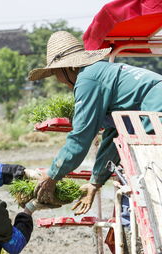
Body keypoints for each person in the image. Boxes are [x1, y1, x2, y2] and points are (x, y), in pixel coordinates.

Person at [28, 31, 162, 215]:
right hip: (148, 115)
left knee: (150, 182)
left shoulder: (87, 80)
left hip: (156, 114)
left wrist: (52, 176)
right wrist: (94, 183)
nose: (58, 79)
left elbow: (80, 138)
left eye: (56, 72)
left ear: (69, 68)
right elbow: (115, 134)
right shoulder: (99, 72)